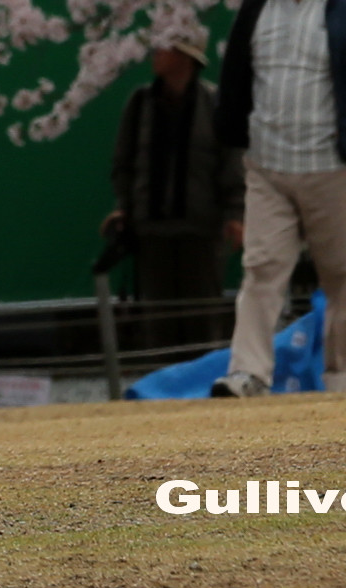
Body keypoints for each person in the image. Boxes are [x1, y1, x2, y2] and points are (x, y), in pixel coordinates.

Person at [211, 0, 346, 399]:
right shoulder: (255, 4)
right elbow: (238, 78)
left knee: (345, 277)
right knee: (261, 269)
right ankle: (248, 373)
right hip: (268, 166)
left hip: (333, 167)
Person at [101, 22, 243, 353]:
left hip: (201, 231)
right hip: (151, 232)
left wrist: (236, 216)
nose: (156, 53)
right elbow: (124, 164)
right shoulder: (140, 104)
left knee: (201, 321)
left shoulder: (215, 105)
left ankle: (201, 383)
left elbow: (232, 166)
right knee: (158, 325)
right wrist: (124, 208)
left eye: (165, 47)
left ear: (185, 57)